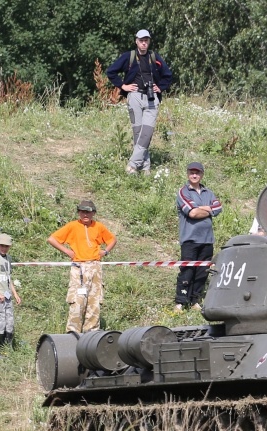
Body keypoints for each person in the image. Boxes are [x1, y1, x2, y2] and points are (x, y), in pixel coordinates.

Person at [106, 29, 173, 175]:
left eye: (146, 40)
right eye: (141, 40)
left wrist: (159, 88)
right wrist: (123, 86)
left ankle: (132, 165)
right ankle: (145, 167)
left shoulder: (154, 57)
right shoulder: (128, 56)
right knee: (138, 132)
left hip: (151, 99)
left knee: (147, 132)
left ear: (149, 42)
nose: (144, 43)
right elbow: (111, 72)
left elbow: (168, 75)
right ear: (136, 41)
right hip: (135, 97)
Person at [48, 200, 117, 334]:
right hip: (79, 267)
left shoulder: (99, 226)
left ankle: (91, 335)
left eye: (88, 212)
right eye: (82, 211)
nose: (85, 214)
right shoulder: (72, 226)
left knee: (94, 301)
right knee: (77, 301)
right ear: (79, 212)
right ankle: (73, 335)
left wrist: (105, 251)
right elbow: (52, 239)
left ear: (93, 213)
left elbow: (112, 239)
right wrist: (67, 251)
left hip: (95, 267)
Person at [175, 162, 222, 311]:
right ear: (187, 173)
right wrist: (209, 209)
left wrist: (200, 208)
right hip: (190, 239)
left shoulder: (209, 192)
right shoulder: (183, 192)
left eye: (197, 172)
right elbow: (192, 213)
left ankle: (195, 300)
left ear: (202, 174)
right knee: (187, 271)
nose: (194, 175)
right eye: (191, 172)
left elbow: (218, 207)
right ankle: (181, 302)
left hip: (207, 240)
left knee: (203, 271)